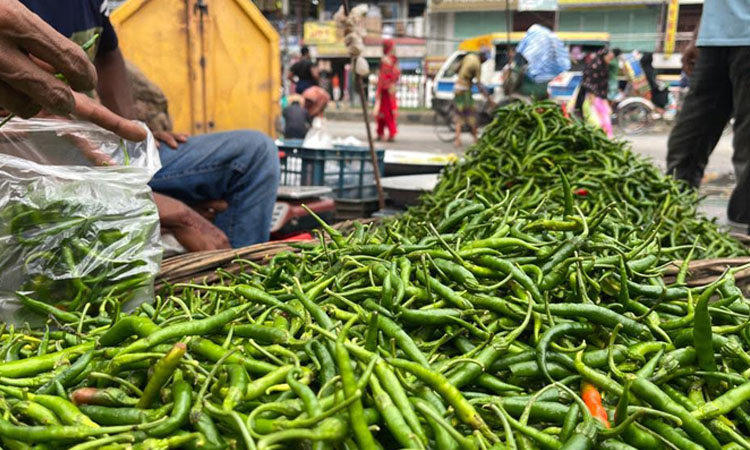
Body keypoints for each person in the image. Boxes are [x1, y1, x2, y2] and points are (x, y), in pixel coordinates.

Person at [20, 0, 280, 251]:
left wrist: (134, 133)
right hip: (37, 166)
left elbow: (109, 55)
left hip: (104, 156)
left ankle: (235, 274)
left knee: (253, 154)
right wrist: (154, 203)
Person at [0, 0, 145, 142]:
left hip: (82, 133)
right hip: (20, 141)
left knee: (165, 157)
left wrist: (130, 130)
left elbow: (108, 55)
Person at [667, 3, 750, 228]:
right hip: (714, 40)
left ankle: (743, 231)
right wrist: (697, 36)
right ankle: (672, 219)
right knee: (687, 139)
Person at [454, 50, 489, 148]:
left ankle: (457, 140)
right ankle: (475, 139)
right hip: (465, 91)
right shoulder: (477, 65)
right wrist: (487, 96)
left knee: (459, 115)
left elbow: (457, 69)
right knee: (471, 115)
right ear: (482, 59)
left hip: (457, 87)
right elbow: (479, 84)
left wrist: (463, 76)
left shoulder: (469, 56)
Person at [577, 48, 615, 137]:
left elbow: (604, 84)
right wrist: (591, 94)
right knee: (595, 119)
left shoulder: (604, 65)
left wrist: (605, 99)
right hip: (592, 96)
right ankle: (600, 137)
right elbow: (588, 81)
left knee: (605, 116)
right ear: (603, 56)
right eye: (609, 57)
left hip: (600, 96)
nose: (610, 59)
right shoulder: (594, 65)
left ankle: (606, 137)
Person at [375, 39, 400, 142]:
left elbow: (383, 77)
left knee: (385, 113)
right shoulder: (393, 61)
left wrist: (379, 90)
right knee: (386, 113)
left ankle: (389, 133)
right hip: (390, 91)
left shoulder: (386, 61)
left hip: (385, 92)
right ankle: (385, 133)